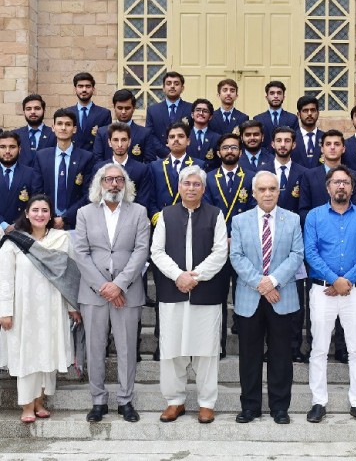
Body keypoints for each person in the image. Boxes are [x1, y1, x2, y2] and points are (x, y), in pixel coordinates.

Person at [151, 165, 228, 424]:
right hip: (173, 291)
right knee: (172, 350)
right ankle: (175, 401)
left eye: (197, 184)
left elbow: (220, 251)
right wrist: (178, 276)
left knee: (207, 352)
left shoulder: (215, 214)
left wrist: (196, 276)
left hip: (206, 291)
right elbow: (157, 251)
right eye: (187, 183)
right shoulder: (166, 214)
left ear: (204, 189)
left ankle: (207, 403)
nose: (191, 188)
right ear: (179, 187)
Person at [75, 163, 150, 423]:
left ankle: (125, 401)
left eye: (119, 179)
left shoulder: (139, 212)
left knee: (127, 348)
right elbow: (80, 253)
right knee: (95, 348)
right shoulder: (84, 213)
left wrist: (119, 284)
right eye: (109, 179)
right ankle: (98, 401)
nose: (114, 184)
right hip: (93, 292)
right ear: (100, 183)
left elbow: (141, 251)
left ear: (126, 184)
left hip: (127, 291)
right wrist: (103, 286)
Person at [230, 171, 304, 424]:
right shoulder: (239, 221)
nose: (268, 193)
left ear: (279, 191)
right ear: (254, 193)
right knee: (249, 355)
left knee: (281, 354)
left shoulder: (292, 219)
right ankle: (250, 406)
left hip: (282, 297)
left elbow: (296, 255)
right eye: (262, 189)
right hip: (249, 297)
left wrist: (272, 281)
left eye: (272, 188)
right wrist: (260, 284)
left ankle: (280, 407)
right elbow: (236, 256)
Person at [0, 194, 82, 422]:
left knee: (48, 352)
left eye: (45, 210)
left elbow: (69, 277)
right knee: (27, 355)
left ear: (51, 215)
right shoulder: (14, 240)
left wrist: (72, 306)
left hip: (52, 308)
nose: (39, 214)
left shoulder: (62, 239)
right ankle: (27, 405)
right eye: (35, 210)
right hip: (23, 310)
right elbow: (4, 278)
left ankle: (39, 400)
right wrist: (5, 311)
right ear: (26, 213)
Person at [304, 165, 356, 424]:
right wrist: (335, 280)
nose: (341, 186)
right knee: (319, 348)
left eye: (346, 182)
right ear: (328, 187)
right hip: (322, 290)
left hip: (354, 292)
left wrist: (347, 281)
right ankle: (318, 402)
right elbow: (310, 252)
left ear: (352, 188)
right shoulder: (314, 216)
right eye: (336, 182)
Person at [298, 130, 356, 364]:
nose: (333, 147)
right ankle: (312, 343)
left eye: (337, 144)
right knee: (316, 304)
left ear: (344, 148)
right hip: (319, 244)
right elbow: (303, 208)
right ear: (321, 148)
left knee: (346, 302)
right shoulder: (309, 175)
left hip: (348, 246)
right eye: (328, 144)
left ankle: (343, 347)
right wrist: (322, 224)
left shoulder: (353, 176)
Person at [204, 133, 256, 357]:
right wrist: (222, 237)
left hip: (244, 247)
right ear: (218, 153)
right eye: (225, 148)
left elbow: (254, 210)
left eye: (234, 147)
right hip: (217, 247)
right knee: (218, 297)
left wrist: (237, 237)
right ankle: (219, 345)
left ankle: (247, 346)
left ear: (240, 152)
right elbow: (206, 211)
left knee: (245, 296)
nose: (230, 151)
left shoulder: (251, 178)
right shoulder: (208, 178)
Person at [270, 126, 308, 362]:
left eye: (287, 141)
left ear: (294, 145)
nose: (283, 144)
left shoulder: (305, 173)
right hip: (266, 238)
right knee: (268, 294)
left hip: (294, 240)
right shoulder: (261, 171)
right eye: (279, 140)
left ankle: (294, 346)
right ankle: (271, 346)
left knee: (295, 296)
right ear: (272, 144)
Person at [33, 108, 94, 230]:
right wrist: (51, 216)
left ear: (74, 129)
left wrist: (65, 218)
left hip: (76, 223)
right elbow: (37, 190)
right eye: (59, 124)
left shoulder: (86, 157)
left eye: (68, 124)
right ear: (53, 127)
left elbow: (88, 194)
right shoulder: (42, 156)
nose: (63, 128)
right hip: (47, 222)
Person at [148, 121, 205, 227]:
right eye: (172, 137)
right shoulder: (155, 166)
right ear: (167, 142)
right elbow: (150, 197)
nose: (176, 139)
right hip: (162, 220)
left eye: (181, 136)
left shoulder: (199, 165)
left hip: (189, 220)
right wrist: (157, 217)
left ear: (188, 141)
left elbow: (202, 196)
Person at [92, 122, 151, 208]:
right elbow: (95, 198)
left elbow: (143, 202)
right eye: (115, 140)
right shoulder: (99, 168)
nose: (120, 145)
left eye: (123, 140)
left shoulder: (141, 170)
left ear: (129, 142)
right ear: (109, 142)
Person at [93, 89, 156, 164]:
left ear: (133, 109)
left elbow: (150, 162)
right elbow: (97, 160)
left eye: (127, 108)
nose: (123, 112)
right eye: (120, 108)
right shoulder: (102, 132)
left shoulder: (144, 133)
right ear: (114, 108)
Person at [146, 71, 193, 158]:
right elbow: (150, 135)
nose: (172, 86)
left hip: (185, 156)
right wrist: (165, 153)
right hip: (160, 157)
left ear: (182, 88)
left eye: (176, 84)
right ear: (164, 88)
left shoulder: (191, 109)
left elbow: (193, 133)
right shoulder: (152, 110)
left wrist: (181, 152)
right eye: (168, 83)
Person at [65, 72, 112, 152]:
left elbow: (106, 142)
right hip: (72, 156)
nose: (84, 90)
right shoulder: (67, 113)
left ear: (93, 89)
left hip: (94, 157)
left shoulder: (104, 114)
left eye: (88, 86)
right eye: (80, 86)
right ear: (75, 89)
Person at [0, 131, 34, 234]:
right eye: (2, 147)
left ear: (19, 149)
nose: (7, 151)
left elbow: (34, 203)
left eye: (12, 147)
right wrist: (3, 225)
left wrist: (17, 224)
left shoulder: (30, 173)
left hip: (22, 229)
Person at [13, 94, 56, 167]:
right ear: (24, 112)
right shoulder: (15, 135)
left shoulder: (54, 134)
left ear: (44, 111)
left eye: (37, 108)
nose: (33, 112)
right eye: (28, 109)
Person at [254, 81, 298, 150]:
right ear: (267, 97)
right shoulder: (258, 119)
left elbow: (295, 142)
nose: (276, 96)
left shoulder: (292, 118)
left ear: (283, 97)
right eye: (272, 93)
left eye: (279, 93)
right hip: (264, 155)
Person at [186, 98, 221, 172]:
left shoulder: (217, 138)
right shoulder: (184, 136)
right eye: (198, 110)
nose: (201, 113)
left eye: (205, 111)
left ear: (210, 117)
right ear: (192, 115)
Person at [291, 96, 324, 169]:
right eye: (305, 110)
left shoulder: (325, 138)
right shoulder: (291, 138)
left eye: (313, 110)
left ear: (318, 113)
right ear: (298, 114)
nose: (309, 114)